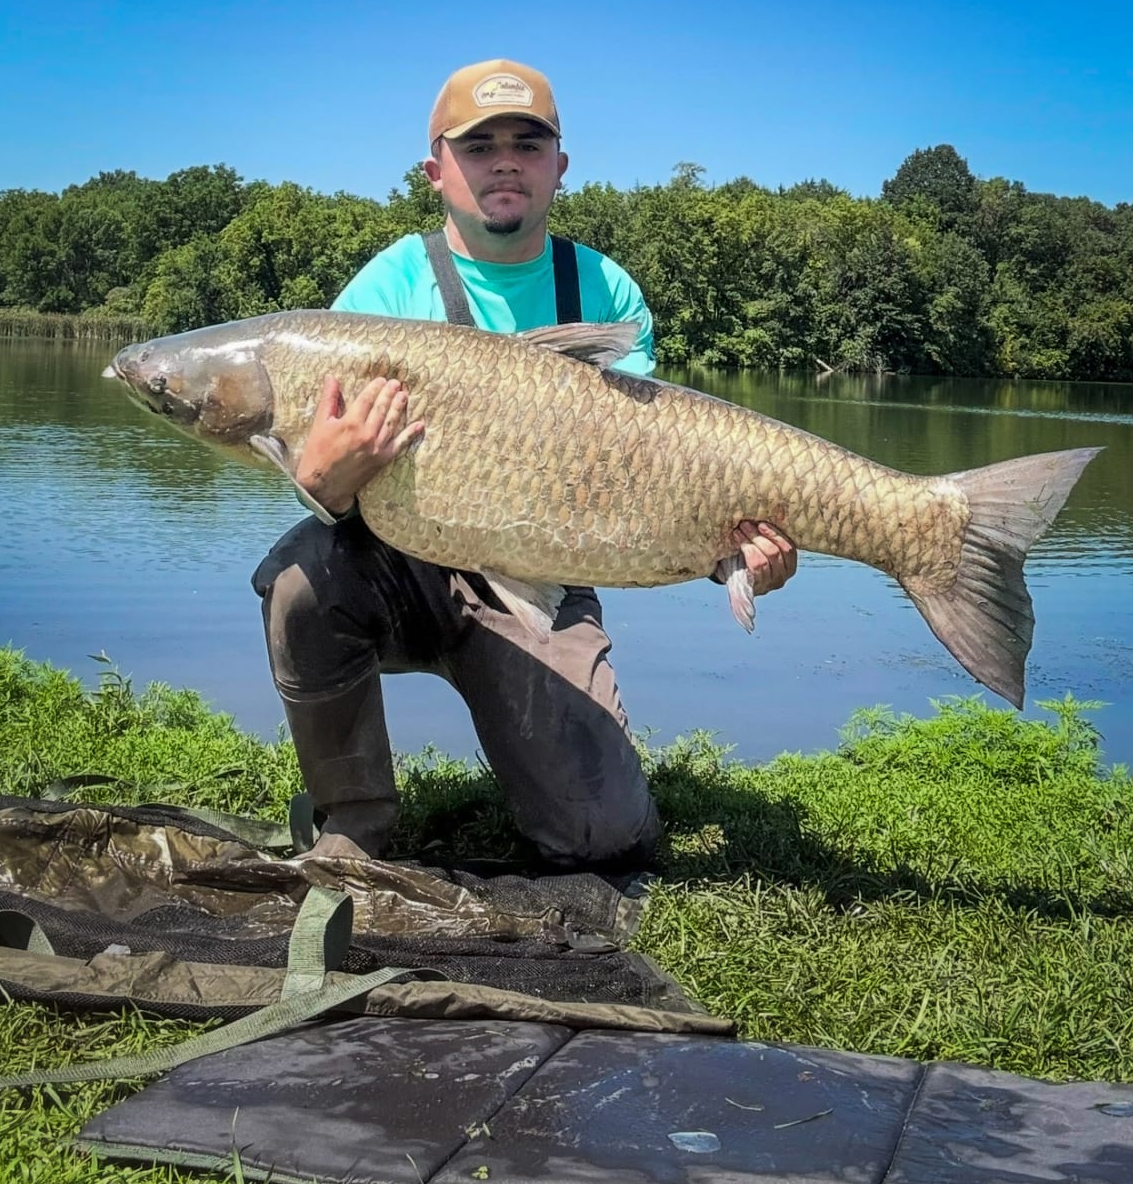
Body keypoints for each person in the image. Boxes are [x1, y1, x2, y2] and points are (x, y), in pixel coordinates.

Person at [252, 59, 797, 866]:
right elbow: (328, 482)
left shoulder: (603, 290)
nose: (504, 161)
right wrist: (322, 483)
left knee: (601, 837)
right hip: (395, 561)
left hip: (540, 573)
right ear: (436, 171)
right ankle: (355, 817)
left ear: (559, 168)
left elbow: (640, 479)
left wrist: (733, 554)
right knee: (299, 580)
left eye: (527, 143)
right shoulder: (387, 286)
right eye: (479, 147)